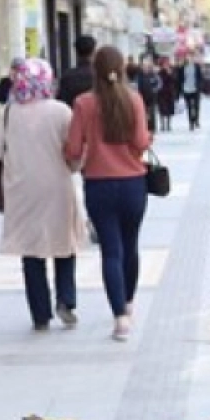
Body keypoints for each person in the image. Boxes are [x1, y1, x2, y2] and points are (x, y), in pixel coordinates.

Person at [0, 57, 85, 330]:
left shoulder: (8, 112)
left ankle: (40, 314)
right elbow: (75, 153)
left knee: (31, 251)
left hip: (21, 190)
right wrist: (73, 167)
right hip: (57, 187)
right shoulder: (61, 111)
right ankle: (66, 300)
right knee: (64, 244)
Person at [65, 44, 151, 341]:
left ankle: (120, 319)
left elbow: (74, 149)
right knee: (131, 246)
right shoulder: (135, 100)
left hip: (99, 185)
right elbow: (141, 143)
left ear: (95, 70)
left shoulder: (83, 104)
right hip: (133, 185)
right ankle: (129, 303)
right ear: (123, 68)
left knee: (111, 252)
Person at [56, 34, 96, 107]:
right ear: (94, 51)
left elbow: (61, 102)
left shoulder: (67, 76)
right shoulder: (99, 75)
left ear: (76, 52)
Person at [179, 55, 202, 129]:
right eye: (188, 57)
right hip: (186, 89)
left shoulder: (196, 66)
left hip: (195, 89)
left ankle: (196, 120)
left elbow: (200, 77)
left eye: (191, 57)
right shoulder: (183, 67)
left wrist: (199, 85)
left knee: (196, 106)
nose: (189, 58)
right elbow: (180, 79)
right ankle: (191, 123)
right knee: (189, 107)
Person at [155, 58, 177, 131]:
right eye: (164, 64)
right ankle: (162, 125)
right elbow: (157, 81)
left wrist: (170, 73)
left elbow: (174, 80)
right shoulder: (159, 72)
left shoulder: (171, 71)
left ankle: (168, 125)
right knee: (162, 109)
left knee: (169, 110)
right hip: (161, 93)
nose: (165, 66)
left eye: (167, 64)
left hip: (169, 93)